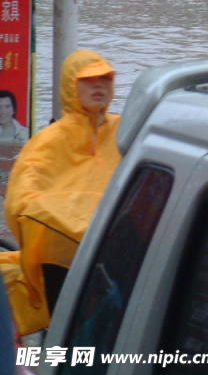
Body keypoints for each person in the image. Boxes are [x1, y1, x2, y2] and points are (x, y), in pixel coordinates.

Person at [0, 50, 121, 335]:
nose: (99, 86)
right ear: (71, 85)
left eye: (106, 78)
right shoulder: (49, 140)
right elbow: (20, 201)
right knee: (72, 336)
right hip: (61, 260)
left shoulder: (123, 130)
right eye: (89, 80)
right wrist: (70, 222)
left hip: (114, 251)